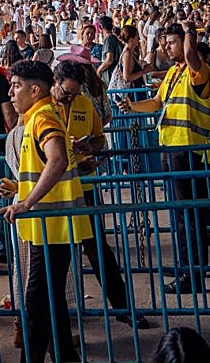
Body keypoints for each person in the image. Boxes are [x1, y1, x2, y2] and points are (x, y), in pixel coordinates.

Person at [0, 60, 91, 363]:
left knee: (37, 300)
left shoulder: (42, 117)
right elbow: (45, 168)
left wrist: (26, 202)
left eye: (17, 85)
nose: (11, 92)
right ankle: (66, 356)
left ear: (35, 89)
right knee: (50, 300)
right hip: (48, 226)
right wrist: (19, 190)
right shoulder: (38, 116)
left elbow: (57, 159)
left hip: (52, 225)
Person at [52, 61, 148, 329]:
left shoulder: (84, 103)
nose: (71, 98)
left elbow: (99, 140)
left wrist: (89, 148)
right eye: (67, 93)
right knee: (56, 259)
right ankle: (57, 317)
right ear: (55, 83)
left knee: (99, 251)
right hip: (54, 192)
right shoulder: (42, 107)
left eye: (75, 93)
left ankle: (123, 307)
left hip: (84, 188)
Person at [123, 22, 210, 294]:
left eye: (171, 42)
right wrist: (132, 107)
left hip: (187, 150)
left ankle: (191, 275)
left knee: (189, 216)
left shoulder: (199, 71)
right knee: (181, 215)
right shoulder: (173, 73)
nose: (166, 47)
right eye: (165, 42)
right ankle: (187, 267)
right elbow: (158, 103)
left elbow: (190, 55)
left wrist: (189, 33)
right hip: (171, 148)